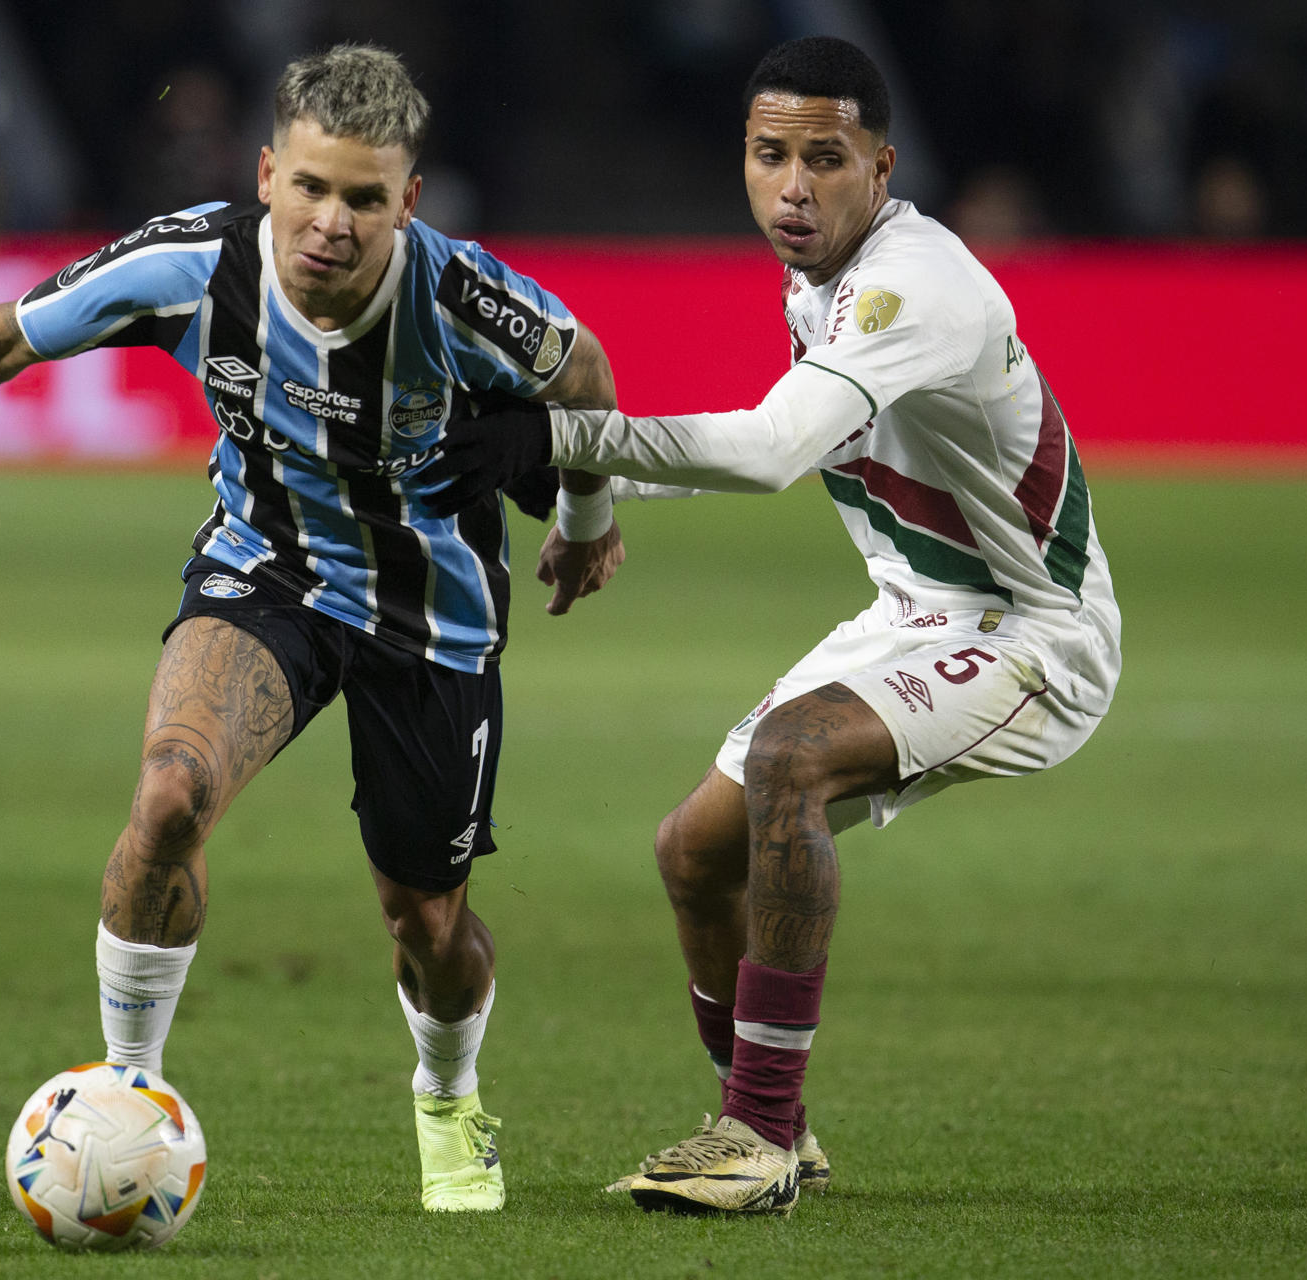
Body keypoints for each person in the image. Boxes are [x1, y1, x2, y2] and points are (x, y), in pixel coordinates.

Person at [0, 44, 622, 1214]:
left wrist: (585, 516)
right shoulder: (193, 265)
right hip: (264, 575)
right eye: (311, 186)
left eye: (366, 197)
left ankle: (448, 1092)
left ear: (408, 204)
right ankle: (127, 1093)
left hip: (434, 621)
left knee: (429, 922)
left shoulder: (462, 298)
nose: (332, 221)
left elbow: (585, 374)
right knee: (169, 797)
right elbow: (7, 333)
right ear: (267, 175)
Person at [428, 35, 1121, 1215]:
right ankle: (773, 1127)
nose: (793, 187)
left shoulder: (917, 286)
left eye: (824, 158)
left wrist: (564, 441)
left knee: (791, 757)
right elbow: (784, 438)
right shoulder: (819, 280)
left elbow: (771, 449)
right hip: (912, 612)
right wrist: (600, 494)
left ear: (882, 166)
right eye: (768, 156)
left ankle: (753, 1131)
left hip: (1028, 634)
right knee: (693, 851)